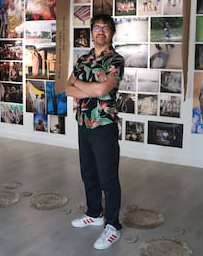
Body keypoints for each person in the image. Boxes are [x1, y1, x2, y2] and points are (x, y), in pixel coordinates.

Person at [66, 14, 124, 250]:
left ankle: (112, 226)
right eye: (97, 27)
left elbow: (103, 89)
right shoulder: (83, 59)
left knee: (108, 178)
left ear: (111, 33)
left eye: (106, 28)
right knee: (88, 173)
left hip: (104, 125)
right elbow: (66, 89)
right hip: (84, 123)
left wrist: (80, 85)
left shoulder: (115, 60)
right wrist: (92, 89)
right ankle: (94, 213)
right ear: (91, 32)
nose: (101, 31)